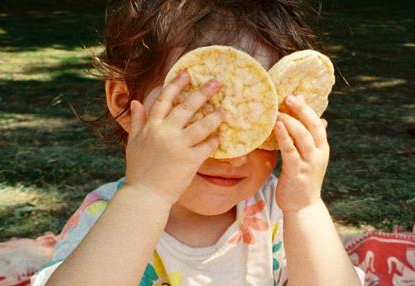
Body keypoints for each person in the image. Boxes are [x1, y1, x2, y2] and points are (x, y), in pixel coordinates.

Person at [31, 1, 365, 285]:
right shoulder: (105, 217)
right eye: (197, 116)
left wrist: (306, 207)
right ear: (124, 105)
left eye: (258, 124)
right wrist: (147, 194)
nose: (235, 156)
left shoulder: (281, 214)